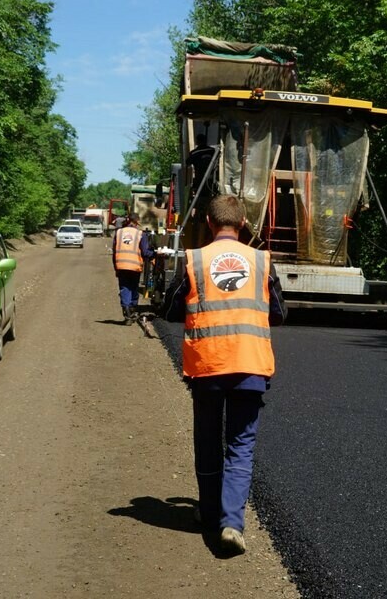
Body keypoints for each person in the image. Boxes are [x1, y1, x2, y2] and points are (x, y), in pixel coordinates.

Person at [160, 194, 287, 555]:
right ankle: (232, 524)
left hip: (208, 366)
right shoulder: (262, 261)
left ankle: (209, 513)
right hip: (249, 365)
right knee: (241, 447)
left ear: (210, 223)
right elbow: (278, 312)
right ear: (243, 223)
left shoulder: (195, 260)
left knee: (208, 442)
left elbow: (171, 308)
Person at [112, 212, 154, 324]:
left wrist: (116, 268)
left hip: (121, 266)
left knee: (124, 288)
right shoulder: (140, 234)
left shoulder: (119, 233)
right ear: (137, 221)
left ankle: (127, 314)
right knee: (133, 288)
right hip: (134, 266)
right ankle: (132, 309)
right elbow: (145, 252)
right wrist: (155, 253)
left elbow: (114, 252)